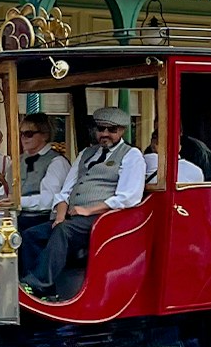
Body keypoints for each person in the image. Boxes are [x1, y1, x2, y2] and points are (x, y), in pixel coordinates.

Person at [18, 107, 146, 301]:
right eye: (101, 129)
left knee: (64, 232)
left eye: (111, 130)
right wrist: (60, 214)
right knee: (30, 235)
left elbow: (128, 197)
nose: (105, 134)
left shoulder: (131, 155)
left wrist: (88, 210)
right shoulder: (87, 153)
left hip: (105, 217)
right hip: (73, 215)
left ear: (122, 131)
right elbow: (65, 191)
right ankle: (44, 291)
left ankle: (37, 284)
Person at [17, 115, 69, 233]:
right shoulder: (18, 161)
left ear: (44, 135)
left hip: (41, 218)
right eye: (21, 134)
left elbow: (48, 200)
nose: (23, 138)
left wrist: (17, 201)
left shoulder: (56, 162)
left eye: (29, 134)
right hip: (18, 216)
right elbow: (5, 189)